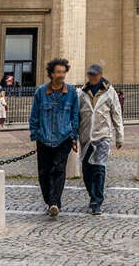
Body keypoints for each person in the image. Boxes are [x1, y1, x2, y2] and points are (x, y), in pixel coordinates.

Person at [29, 58, 80, 217]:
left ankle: (54, 202)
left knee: (58, 169)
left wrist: (74, 137)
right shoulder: (40, 92)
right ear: (51, 73)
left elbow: (75, 116)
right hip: (44, 138)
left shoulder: (71, 93)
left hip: (63, 137)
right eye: (58, 72)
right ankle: (49, 199)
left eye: (63, 72)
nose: (62, 75)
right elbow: (34, 115)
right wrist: (35, 134)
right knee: (44, 172)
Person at [78, 64, 123, 216]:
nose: (92, 77)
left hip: (102, 135)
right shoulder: (81, 93)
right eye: (90, 75)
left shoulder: (110, 92)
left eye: (94, 75)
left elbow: (116, 113)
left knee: (99, 168)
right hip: (85, 137)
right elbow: (76, 115)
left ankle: (97, 201)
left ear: (100, 75)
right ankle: (93, 195)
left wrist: (119, 136)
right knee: (86, 170)